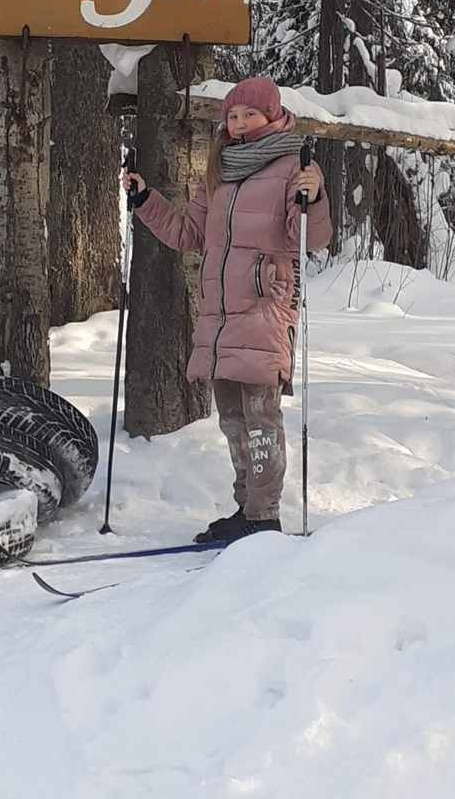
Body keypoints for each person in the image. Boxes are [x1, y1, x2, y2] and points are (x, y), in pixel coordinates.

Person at [123, 76, 332, 543]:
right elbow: (188, 234)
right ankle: (247, 512)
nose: (238, 124)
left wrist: (314, 195)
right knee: (233, 420)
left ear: (272, 114)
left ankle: (265, 517)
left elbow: (312, 239)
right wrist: (144, 200)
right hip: (219, 316)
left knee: (261, 420)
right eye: (232, 116)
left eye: (249, 114)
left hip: (264, 311)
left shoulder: (292, 166)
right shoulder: (219, 171)